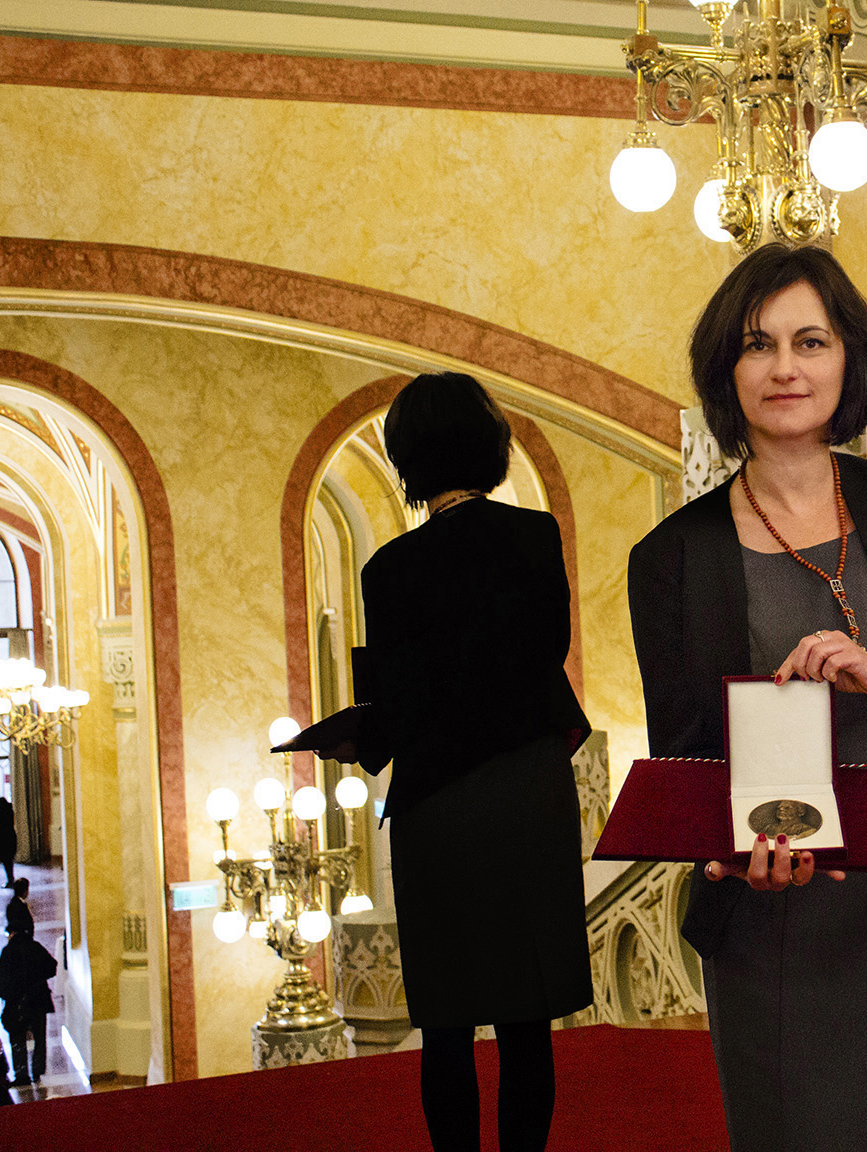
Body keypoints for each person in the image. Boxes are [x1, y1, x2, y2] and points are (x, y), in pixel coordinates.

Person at [627, 244, 867, 1151]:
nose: (786, 368)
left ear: (849, 360)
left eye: (811, 341)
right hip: (776, 914)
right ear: (727, 370)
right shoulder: (673, 557)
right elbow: (685, 761)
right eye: (757, 345)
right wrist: (732, 859)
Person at [318, 372, 592, 1152]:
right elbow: (547, 654)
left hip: (438, 808)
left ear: (406, 459)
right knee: (526, 1022)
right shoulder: (535, 536)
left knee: (445, 1026)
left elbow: (401, 702)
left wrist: (358, 740)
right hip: (528, 791)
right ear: (490, 445)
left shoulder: (387, 570)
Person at [0, 926, 55, 1085]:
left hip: (15, 1003)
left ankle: (21, 1074)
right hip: (38, 1001)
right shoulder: (36, 947)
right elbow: (52, 966)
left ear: (12, 933)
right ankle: (37, 1071)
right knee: (39, 1037)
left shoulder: (8, 951)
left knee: (17, 1038)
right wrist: (38, 979)